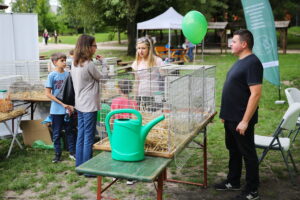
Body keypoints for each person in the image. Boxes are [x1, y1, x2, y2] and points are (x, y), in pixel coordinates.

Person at [215, 29, 263, 200]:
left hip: (241, 120)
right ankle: (233, 181)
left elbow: (255, 94)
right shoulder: (240, 61)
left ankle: (252, 190)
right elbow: (234, 89)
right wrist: (224, 114)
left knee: (248, 154)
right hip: (230, 117)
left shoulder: (253, 63)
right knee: (233, 151)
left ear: (244, 44)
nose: (231, 44)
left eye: (234, 41)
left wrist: (245, 121)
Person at [71, 34, 108, 170]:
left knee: (81, 135)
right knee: (88, 137)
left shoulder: (74, 63)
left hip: (80, 104)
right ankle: (88, 169)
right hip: (89, 105)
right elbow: (103, 78)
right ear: (88, 47)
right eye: (94, 45)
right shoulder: (89, 64)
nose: (96, 48)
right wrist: (104, 63)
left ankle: (79, 166)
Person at [45, 52, 76, 163]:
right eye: (61, 60)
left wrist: (71, 106)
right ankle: (57, 154)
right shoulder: (52, 76)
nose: (64, 62)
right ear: (54, 62)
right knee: (57, 133)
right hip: (56, 110)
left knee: (70, 131)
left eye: (65, 60)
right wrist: (62, 104)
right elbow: (48, 93)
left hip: (68, 110)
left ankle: (72, 152)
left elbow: (72, 92)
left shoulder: (68, 74)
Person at [110, 80, 138, 185]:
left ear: (119, 89)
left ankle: (115, 174)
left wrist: (112, 128)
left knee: (118, 152)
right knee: (129, 153)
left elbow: (111, 117)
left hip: (118, 131)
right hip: (129, 133)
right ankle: (129, 178)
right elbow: (136, 119)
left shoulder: (115, 101)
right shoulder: (133, 102)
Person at [132, 36, 165, 112]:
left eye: (143, 48)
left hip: (157, 93)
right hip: (142, 94)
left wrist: (163, 96)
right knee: (145, 117)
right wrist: (135, 98)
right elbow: (136, 82)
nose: (141, 51)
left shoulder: (158, 61)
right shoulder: (136, 63)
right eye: (139, 48)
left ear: (149, 49)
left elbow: (163, 79)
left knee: (156, 116)